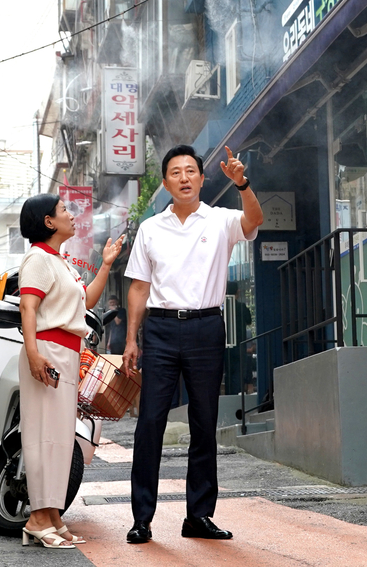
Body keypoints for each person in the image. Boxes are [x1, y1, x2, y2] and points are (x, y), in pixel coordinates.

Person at [123, 144, 263, 544]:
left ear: (202, 179)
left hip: (206, 328)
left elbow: (255, 220)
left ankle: (198, 516)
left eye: (191, 171)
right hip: (162, 331)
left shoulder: (221, 220)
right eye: (175, 172)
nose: (184, 178)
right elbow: (138, 287)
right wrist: (132, 338)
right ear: (166, 182)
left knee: (204, 422)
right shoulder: (151, 228)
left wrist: (244, 184)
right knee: (150, 422)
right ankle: (142, 518)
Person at [18, 194, 123, 549]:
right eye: (63, 210)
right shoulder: (37, 258)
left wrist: (106, 264)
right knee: (43, 435)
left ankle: (52, 516)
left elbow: (87, 301)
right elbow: (28, 308)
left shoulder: (60, 262)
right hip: (46, 352)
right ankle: (36, 517)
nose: (71, 214)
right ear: (48, 222)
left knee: (61, 437)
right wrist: (33, 355)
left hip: (65, 352)